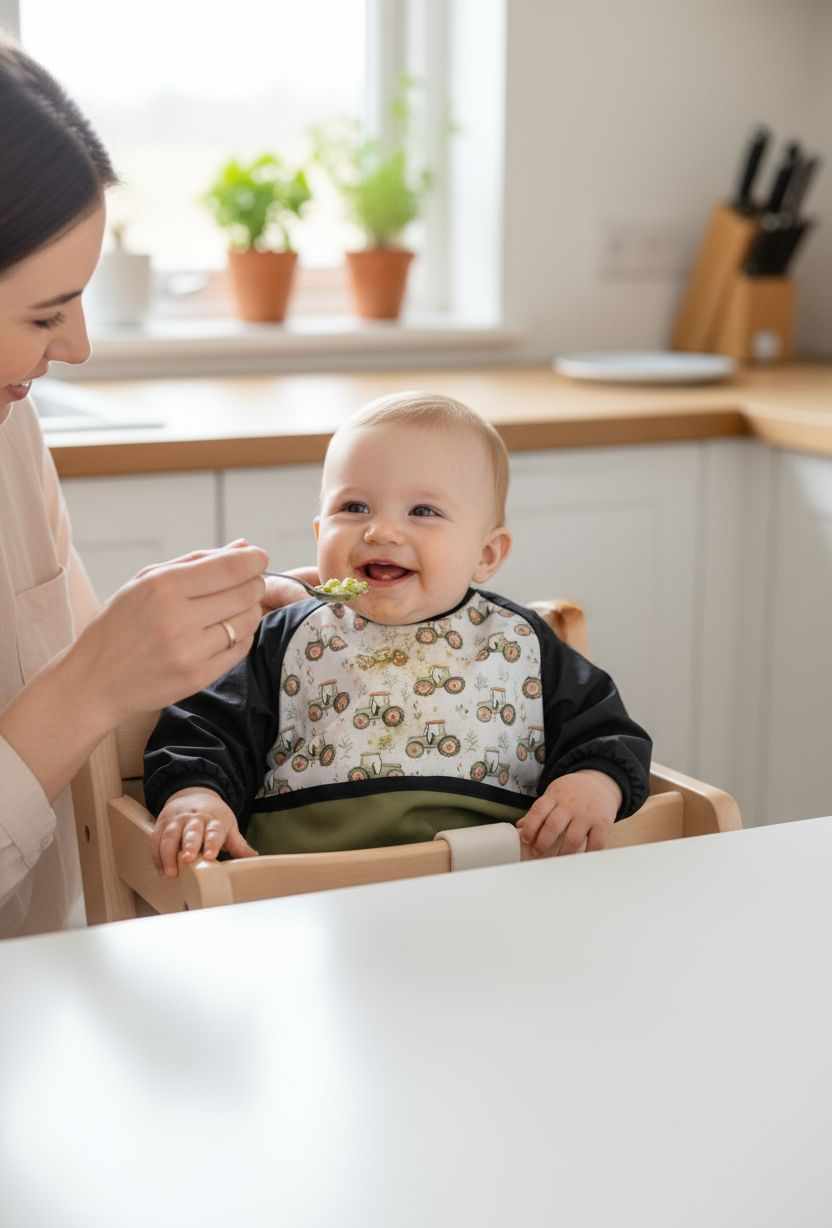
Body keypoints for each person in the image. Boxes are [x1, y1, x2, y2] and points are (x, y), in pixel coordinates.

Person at [0, 37, 301, 936]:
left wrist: (194, 641)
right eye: (44, 315)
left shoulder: (10, 418)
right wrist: (96, 678)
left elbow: (72, 694)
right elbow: (75, 691)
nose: (77, 346)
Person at [145, 392, 652, 876]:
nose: (381, 531)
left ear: (486, 554)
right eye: (354, 507)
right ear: (320, 534)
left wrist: (594, 782)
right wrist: (197, 795)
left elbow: (607, 732)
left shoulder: (522, 643)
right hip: (304, 892)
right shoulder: (285, 637)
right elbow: (204, 728)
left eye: (422, 512)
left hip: (493, 883)